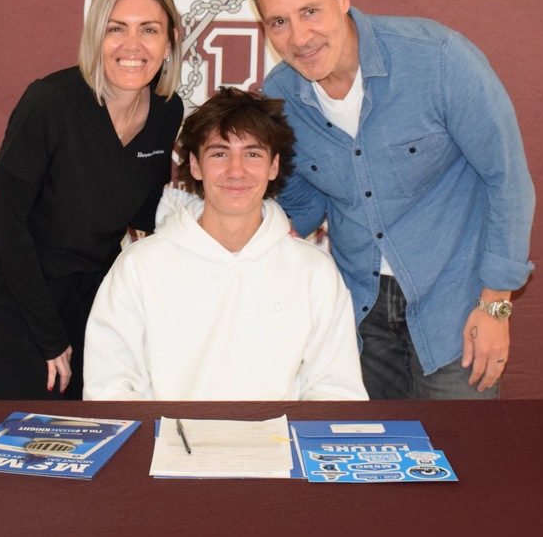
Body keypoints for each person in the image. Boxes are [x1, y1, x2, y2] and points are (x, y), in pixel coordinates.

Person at [249, 0, 535, 400]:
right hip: (359, 319)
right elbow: (304, 204)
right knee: (370, 462)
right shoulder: (282, 96)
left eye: (310, 11)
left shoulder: (440, 60)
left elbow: (509, 181)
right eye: (278, 22)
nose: (299, 38)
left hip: (455, 310)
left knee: (462, 462)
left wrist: (496, 304)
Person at [0, 0, 185, 400]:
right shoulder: (49, 103)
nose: (132, 45)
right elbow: (7, 224)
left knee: (93, 423)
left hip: (89, 290)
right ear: (96, 36)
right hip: (14, 288)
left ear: (170, 40)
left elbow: (148, 213)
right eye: (116, 29)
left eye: (149, 30)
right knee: (35, 433)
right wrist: (49, 336)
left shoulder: (166, 110)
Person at [83, 88, 367, 401]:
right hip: (165, 447)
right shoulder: (139, 266)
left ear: (273, 166)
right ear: (194, 165)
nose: (236, 171)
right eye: (219, 153)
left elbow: (336, 393)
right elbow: (108, 389)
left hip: (277, 449)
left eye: (252, 154)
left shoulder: (315, 272)